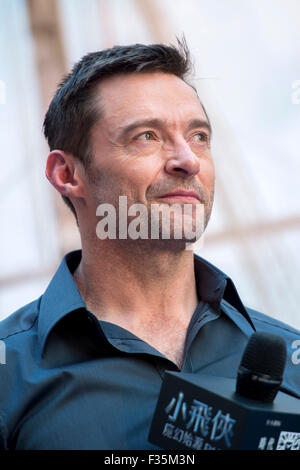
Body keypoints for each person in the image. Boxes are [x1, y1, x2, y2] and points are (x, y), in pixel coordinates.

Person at [0, 40, 299, 451]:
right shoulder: (8, 374)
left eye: (198, 136)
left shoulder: (291, 358)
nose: (187, 160)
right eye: (146, 136)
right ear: (68, 173)